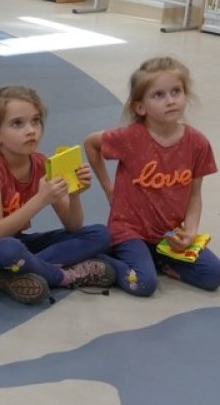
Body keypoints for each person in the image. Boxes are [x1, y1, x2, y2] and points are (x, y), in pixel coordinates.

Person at [0, 85, 116, 305]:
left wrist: (75, 194)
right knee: (11, 249)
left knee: (100, 234)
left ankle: (16, 272)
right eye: (18, 124)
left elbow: (74, 226)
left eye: (35, 121)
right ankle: (65, 276)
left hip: (16, 243)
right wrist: (41, 199)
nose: (31, 130)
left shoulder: (40, 162)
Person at [84, 56, 220, 295]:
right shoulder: (131, 138)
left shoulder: (197, 143)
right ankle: (104, 261)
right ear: (140, 107)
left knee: (213, 275)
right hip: (129, 230)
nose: (170, 100)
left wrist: (189, 232)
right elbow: (91, 144)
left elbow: (194, 195)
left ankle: (158, 260)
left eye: (176, 91)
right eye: (158, 95)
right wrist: (109, 189)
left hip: (166, 234)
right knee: (144, 283)